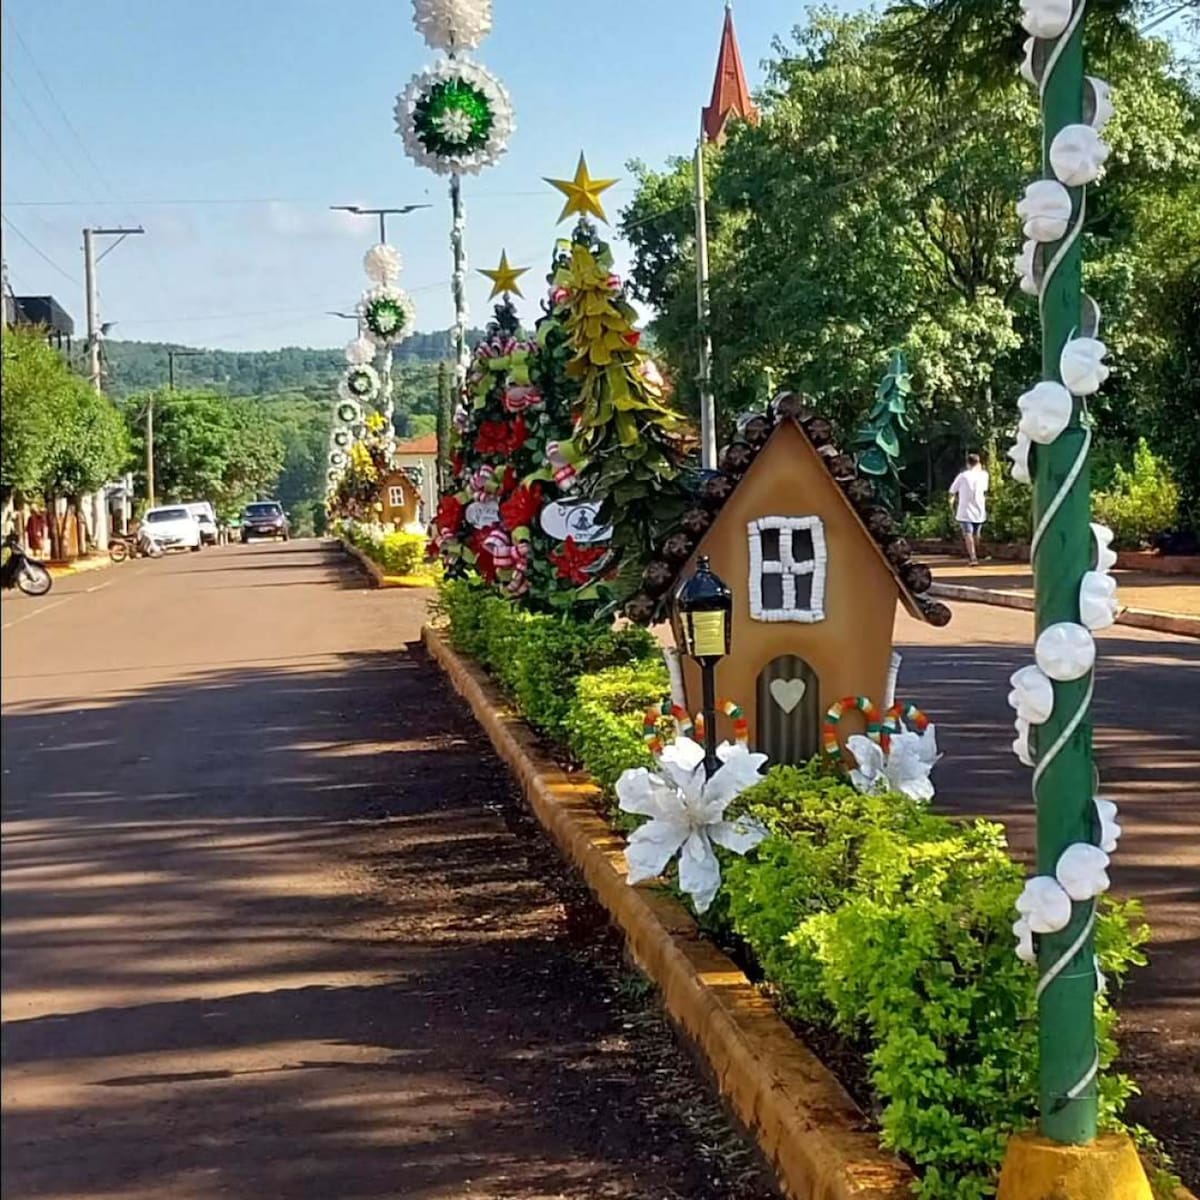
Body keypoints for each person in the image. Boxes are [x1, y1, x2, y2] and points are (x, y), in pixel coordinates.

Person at [949, 453, 989, 566]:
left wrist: (951, 501)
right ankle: (975, 554)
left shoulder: (963, 476)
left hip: (965, 510)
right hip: (979, 508)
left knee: (968, 534)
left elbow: (952, 490)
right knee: (976, 534)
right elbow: (985, 489)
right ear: (979, 463)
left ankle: (973, 557)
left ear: (967, 463)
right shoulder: (984, 475)